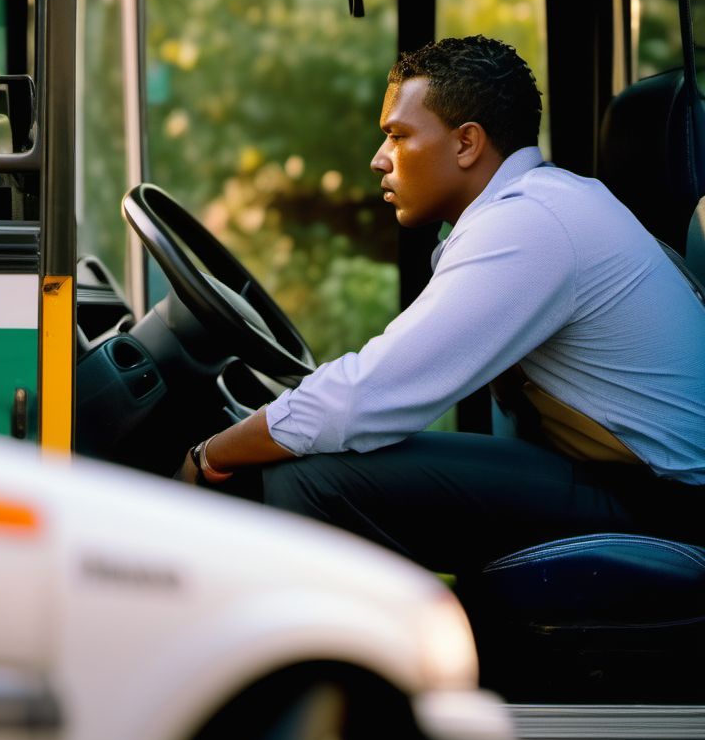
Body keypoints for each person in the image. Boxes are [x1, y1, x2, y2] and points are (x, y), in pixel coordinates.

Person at [180, 35, 705, 572]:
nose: (378, 159)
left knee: (307, 477)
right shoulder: (544, 204)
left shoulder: (528, 225)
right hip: (631, 484)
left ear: (466, 144)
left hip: (664, 506)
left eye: (397, 135)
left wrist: (209, 456)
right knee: (309, 452)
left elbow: (366, 398)